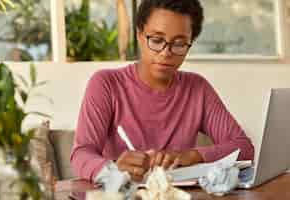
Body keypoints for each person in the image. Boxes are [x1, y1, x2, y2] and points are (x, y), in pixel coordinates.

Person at [70, 0, 254, 183]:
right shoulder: (106, 84)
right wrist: (113, 169)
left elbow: (244, 148)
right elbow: (80, 155)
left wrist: (191, 156)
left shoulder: (197, 88)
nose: (166, 53)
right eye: (157, 40)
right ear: (140, 35)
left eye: (179, 44)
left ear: (190, 43)